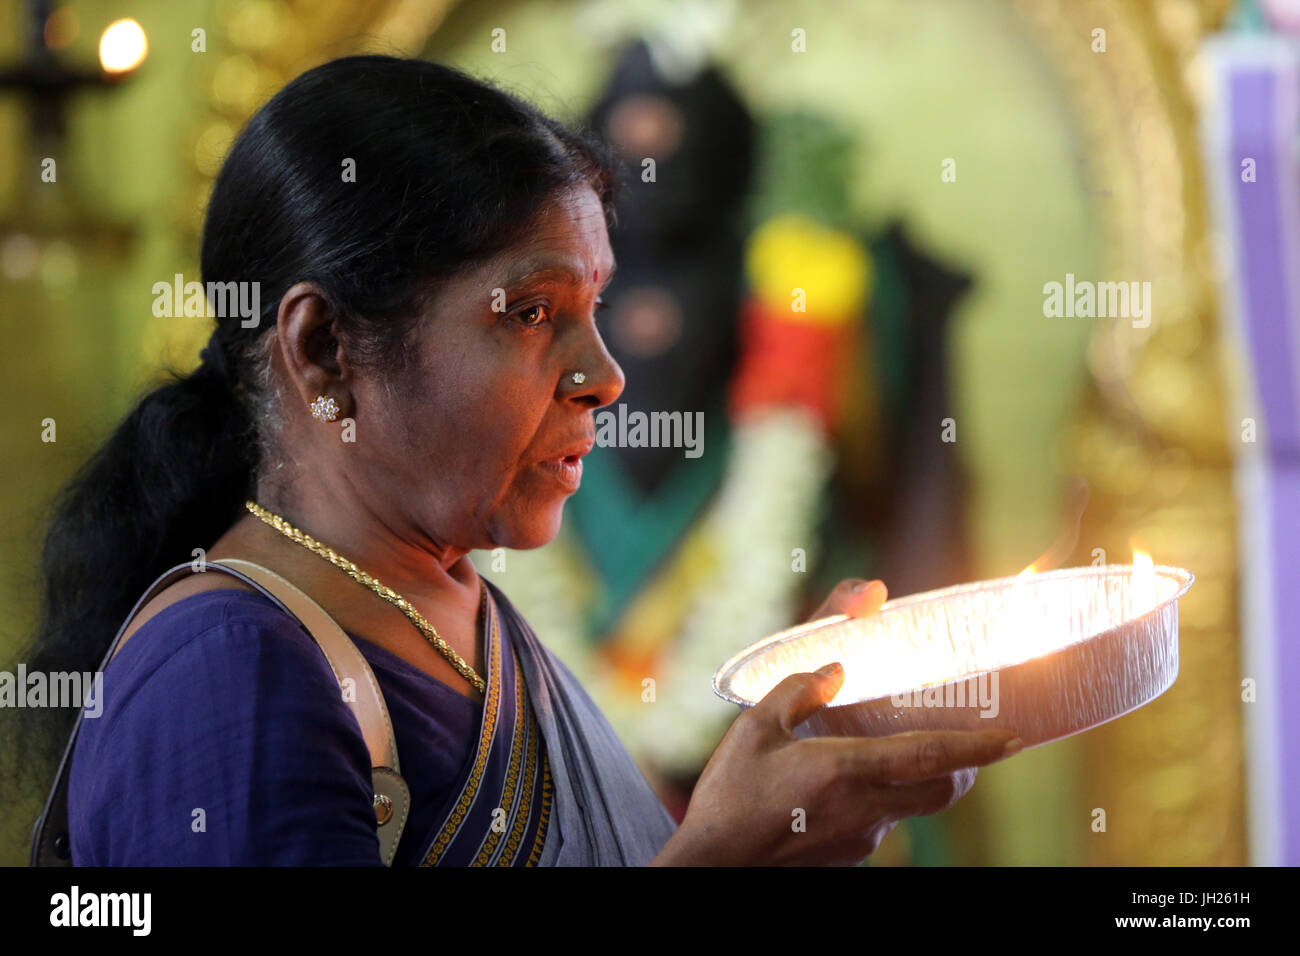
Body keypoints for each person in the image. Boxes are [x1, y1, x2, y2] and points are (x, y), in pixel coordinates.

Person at [26, 55, 1020, 866]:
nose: (606, 376)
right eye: (535, 313)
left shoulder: (466, 618)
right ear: (326, 349)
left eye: (596, 307)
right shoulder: (235, 679)